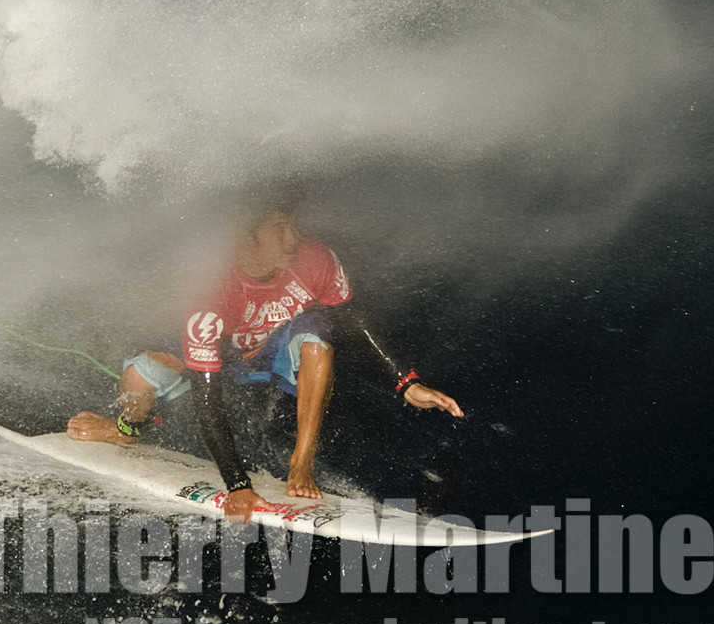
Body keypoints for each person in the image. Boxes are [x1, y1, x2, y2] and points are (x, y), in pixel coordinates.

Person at [66, 197, 464, 522]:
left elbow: (352, 318)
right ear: (246, 238)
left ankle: (301, 459)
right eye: (279, 228)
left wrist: (406, 382)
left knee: (317, 337)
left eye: (294, 225)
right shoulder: (212, 293)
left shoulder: (316, 260)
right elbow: (208, 400)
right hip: (218, 358)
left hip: (270, 353)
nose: (293, 238)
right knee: (140, 374)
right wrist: (238, 484)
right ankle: (126, 429)